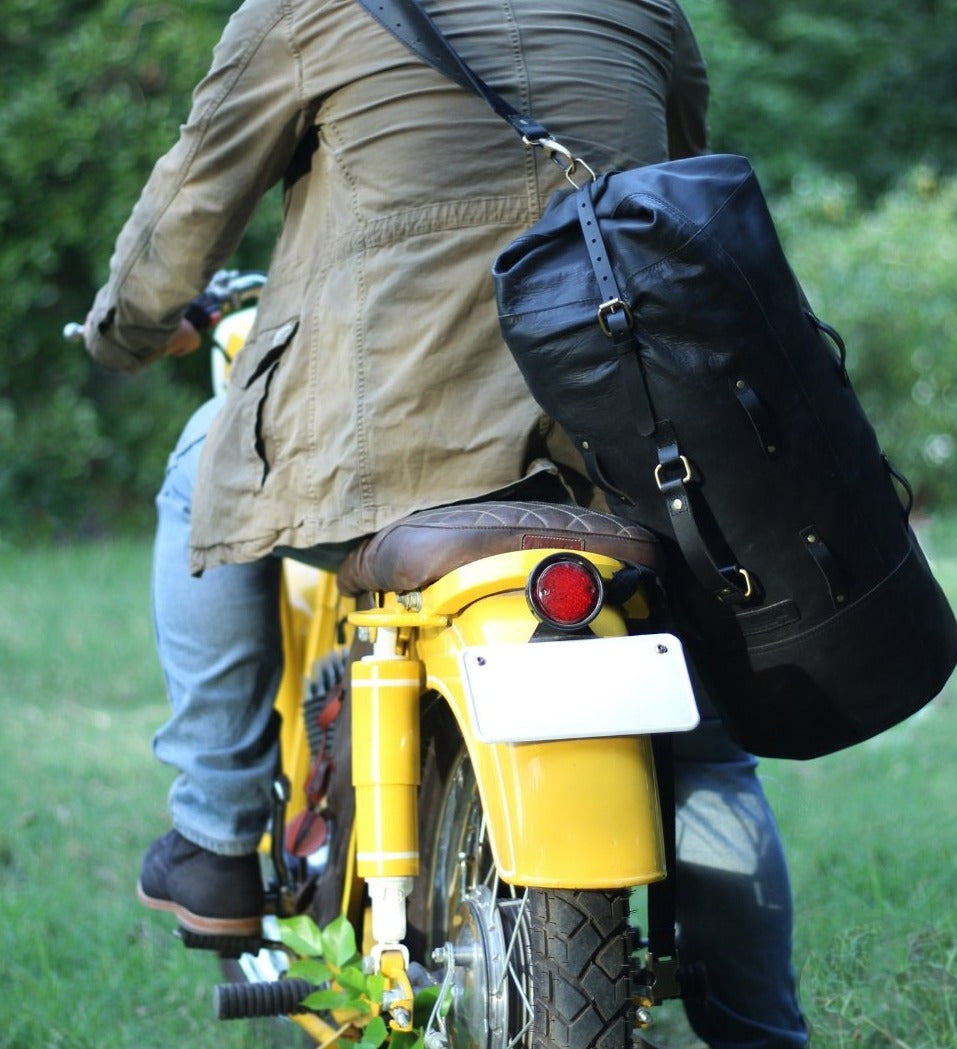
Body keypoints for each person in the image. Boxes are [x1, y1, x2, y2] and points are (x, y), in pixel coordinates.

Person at [84, 0, 808, 1044]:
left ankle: (216, 834)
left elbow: (189, 208)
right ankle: (763, 1032)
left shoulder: (303, 12)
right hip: (614, 454)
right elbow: (675, 199)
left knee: (201, 463)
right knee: (702, 749)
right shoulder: (643, 8)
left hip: (382, 456)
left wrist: (122, 331)